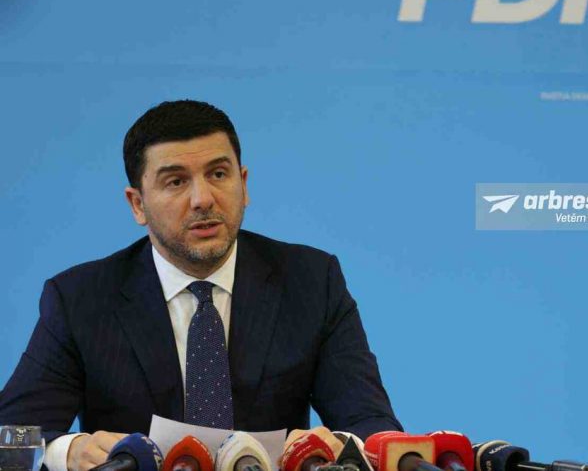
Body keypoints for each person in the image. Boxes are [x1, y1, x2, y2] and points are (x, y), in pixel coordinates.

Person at [0, 100, 402, 471]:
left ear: (244, 184)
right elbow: (8, 437)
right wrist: (69, 450)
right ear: (137, 204)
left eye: (218, 174)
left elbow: (372, 425)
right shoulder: (80, 299)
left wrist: (339, 445)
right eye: (176, 182)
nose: (203, 199)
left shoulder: (311, 281)